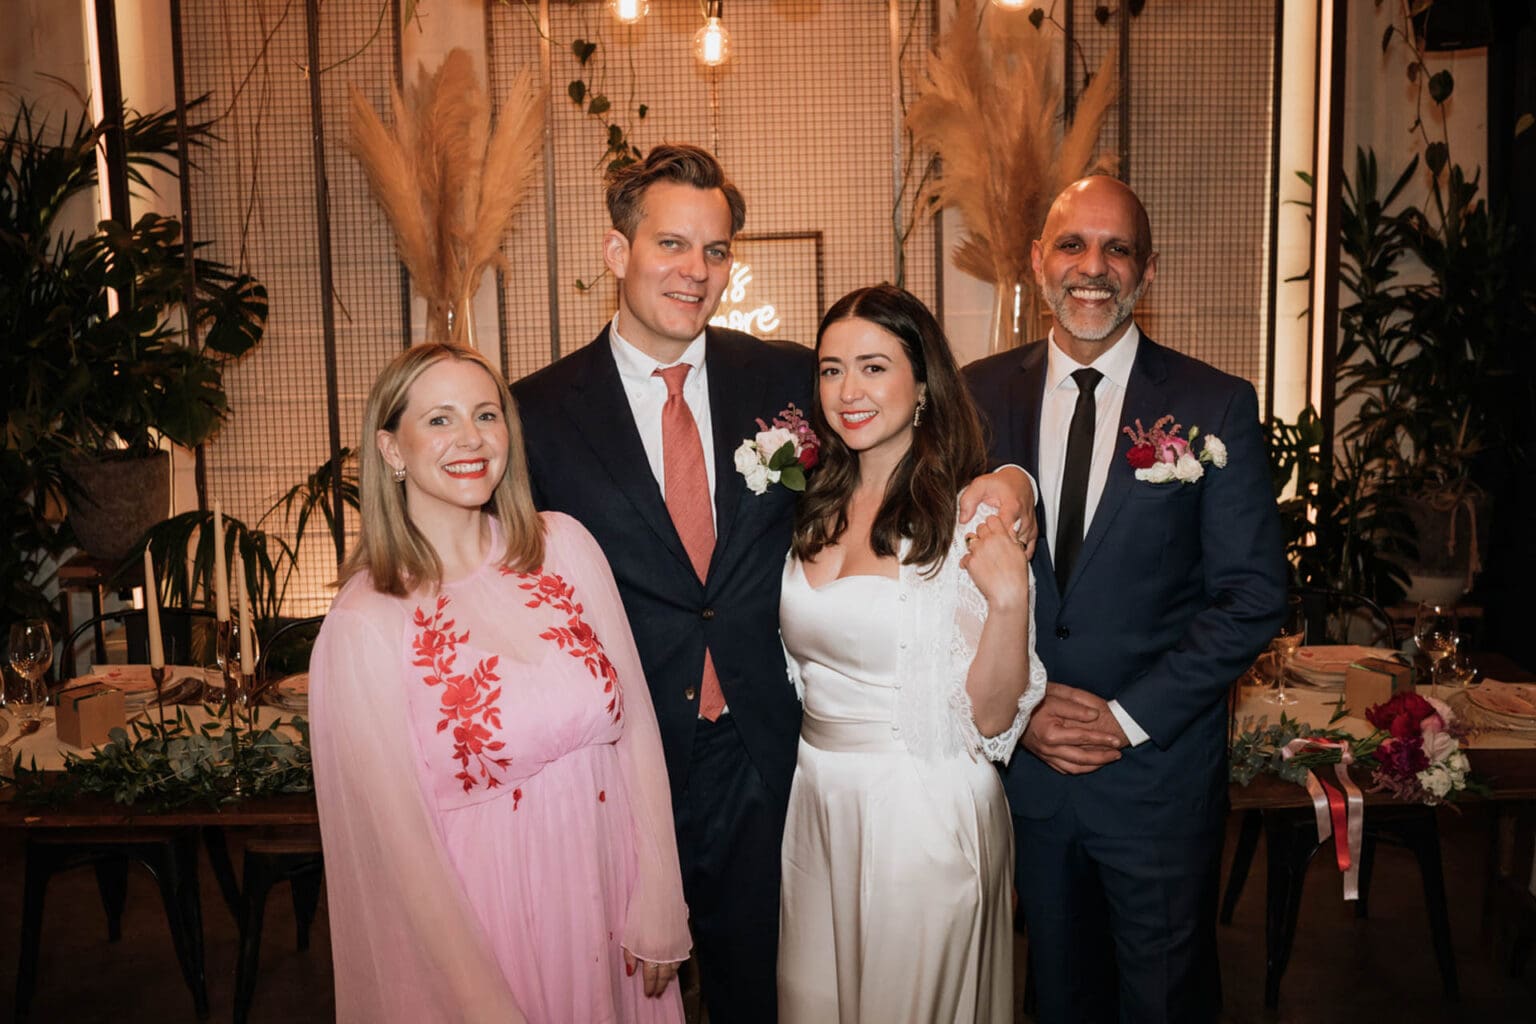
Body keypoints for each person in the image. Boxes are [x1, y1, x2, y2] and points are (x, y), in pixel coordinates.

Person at [512, 143, 1034, 1023]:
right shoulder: (539, 410)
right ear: (616, 252)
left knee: (783, 994)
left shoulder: (785, 377)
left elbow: (915, 409)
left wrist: (1013, 483)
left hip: (777, 763)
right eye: (672, 245)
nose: (696, 272)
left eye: (716, 251)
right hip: (630, 765)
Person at [964, 175, 1286, 1023]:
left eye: (1117, 249)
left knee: (1164, 997)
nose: (1092, 267)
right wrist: (1018, 709)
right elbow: (935, 586)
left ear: (1147, 272)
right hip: (1026, 776)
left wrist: (1127, 716)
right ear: (1039, 263)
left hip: (1155, 775)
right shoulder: (971, 398)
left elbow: (1252, 596)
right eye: (1072, 244)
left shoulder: (1213, 404)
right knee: (1056, 994)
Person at [310, 343, 689, 1023]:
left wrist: (662, 888)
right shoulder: (367, 621)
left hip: (612, 893)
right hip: (490, 930)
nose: (471, 438)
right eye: (440, 420)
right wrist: (481, 1004)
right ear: (391, 449)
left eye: (487, 414)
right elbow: (402, 850)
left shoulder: (565, 547)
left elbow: (637, 731)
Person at [776, 284, 1047, 1022]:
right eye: (831, 370)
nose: (848, 391)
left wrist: (1011, 603)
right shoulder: (812, 501)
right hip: (819, 804)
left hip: (920, 813)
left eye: (873, 367)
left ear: (922, 382)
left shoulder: (967, 513)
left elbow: (991, 720)